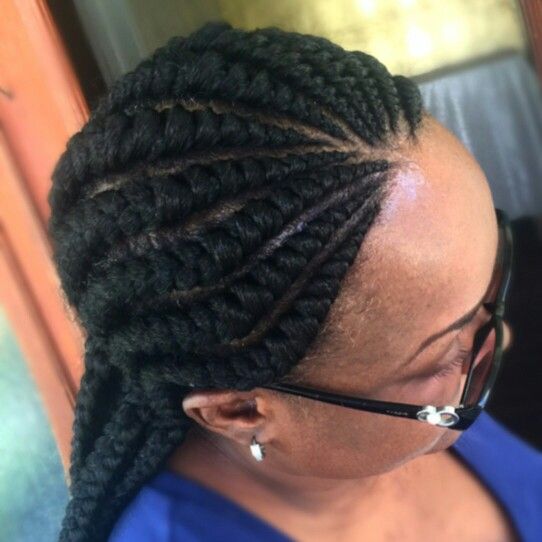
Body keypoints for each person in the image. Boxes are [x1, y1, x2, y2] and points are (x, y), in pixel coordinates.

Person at [47, 21, 541, 542]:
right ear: (241, 411)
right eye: (446, 356)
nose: (502, 337)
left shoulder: (414, 397)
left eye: (490, 284)